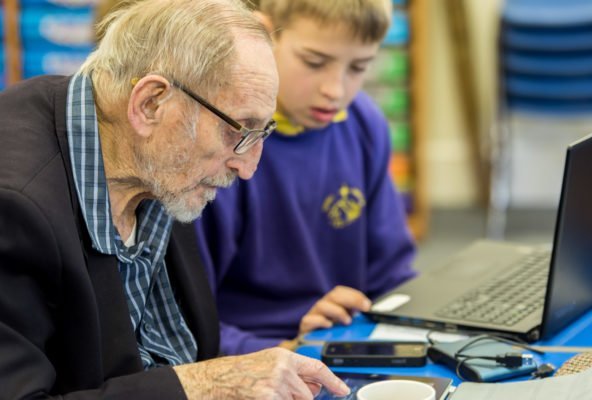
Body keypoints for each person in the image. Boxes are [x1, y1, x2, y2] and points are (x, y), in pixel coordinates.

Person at [0, 0, 350, 398]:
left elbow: (172, 352)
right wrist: (208, 385)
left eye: (262, 132)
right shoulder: (13, 205)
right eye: (239, 130)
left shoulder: (156, 164)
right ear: (150, 104)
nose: (249, 167)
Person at [194, 0, 417, 356]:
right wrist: (290, 349)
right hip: (250, 356)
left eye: (358, 67)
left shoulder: (365, 125)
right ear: (263, 35)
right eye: (315, 62)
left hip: (344, 344)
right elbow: (186, 323)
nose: (336, 90)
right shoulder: (217, 146)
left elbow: (392, 276)